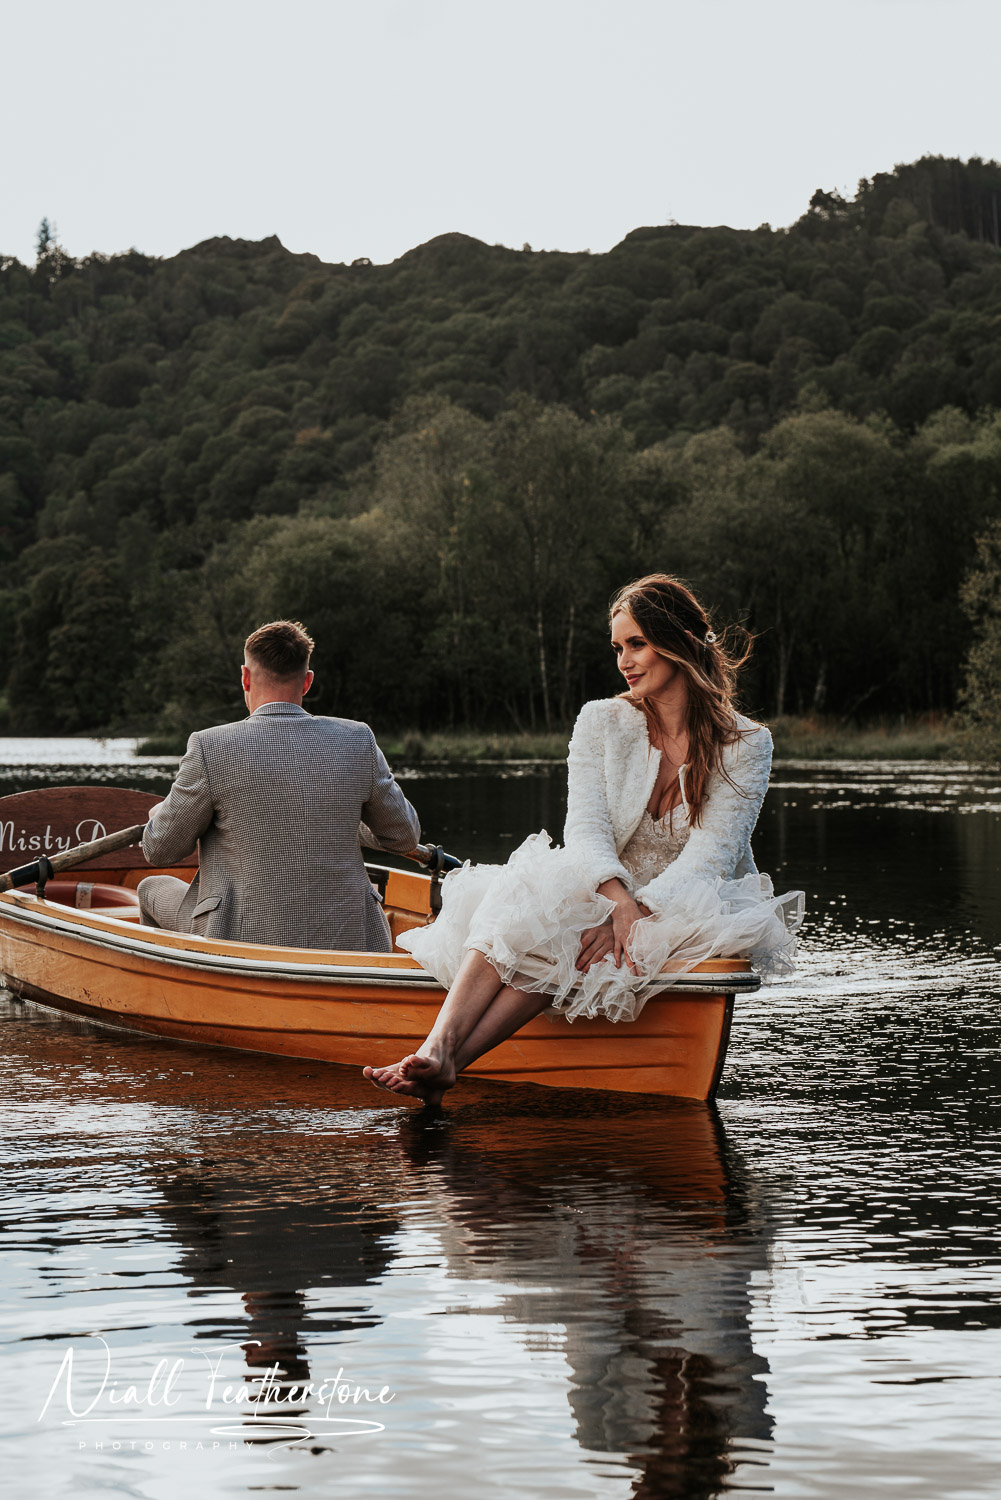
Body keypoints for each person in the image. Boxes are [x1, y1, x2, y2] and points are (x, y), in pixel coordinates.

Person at [363, 573, 804, 1104]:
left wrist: (639, 910)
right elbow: (586, 828)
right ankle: (438, 1050)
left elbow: (714, 853)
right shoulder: (601, 720)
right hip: (602, 881)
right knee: (533, 894)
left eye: (637, 643)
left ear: (681, 642)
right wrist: (616, 901)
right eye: (618, 647)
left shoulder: (748, 742)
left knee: (581, 938)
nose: (624, 660)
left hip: (687, 899)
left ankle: (449, 1061)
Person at [139, 619, 421, 951]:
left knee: (148, 888)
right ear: (307, 682)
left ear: (245, 677)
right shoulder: (357, 739)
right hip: (353, 941)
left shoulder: (209, 747)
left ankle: (177, 996)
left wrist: (162, 816)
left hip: (242, 942)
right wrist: (340, 818)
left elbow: (159, 850)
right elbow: (404, 837)